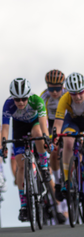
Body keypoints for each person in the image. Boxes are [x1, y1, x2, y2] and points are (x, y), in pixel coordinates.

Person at [1, 77, 51, 222]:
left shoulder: (36, 100)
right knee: (21, 167)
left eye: (24, 99)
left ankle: (44, 165)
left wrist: (46, 138)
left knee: (38, 134)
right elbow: (5, 129)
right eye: (17, 99)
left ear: (29, 96)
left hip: (35, 123)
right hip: (19, 127)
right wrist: (3, 144)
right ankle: (23, 205)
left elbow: (43, 124)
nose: (21, 102)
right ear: (12, 98)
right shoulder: (8, 104)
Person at [40, 70, 67, 223]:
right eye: (52, 89)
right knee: (54, 150)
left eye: (58, 88)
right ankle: (57, 182)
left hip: (67, 121)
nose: (55, 92)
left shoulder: (68, 94)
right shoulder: (44, 96)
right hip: (50, 125)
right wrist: (48, 138)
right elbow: (41, 119)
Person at [53, 72, 84, 200]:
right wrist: (55, 137)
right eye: (73, 93)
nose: (77, 97)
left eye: (80, 92)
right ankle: (66, 179)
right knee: (68, 141)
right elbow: (58, 122)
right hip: (72, 121)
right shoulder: (65, 98)